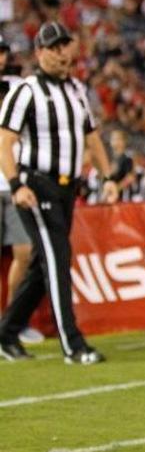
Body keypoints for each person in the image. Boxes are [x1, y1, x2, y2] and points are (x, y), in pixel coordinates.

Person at [0, 22, 119, 364]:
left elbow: (93, 139)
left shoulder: (76, 91)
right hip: (37, 184)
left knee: (43, 264)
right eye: (54, 47)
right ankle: (73, 344)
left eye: (64, 45)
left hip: (69, 186)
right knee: (58, 257)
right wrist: (16, 185)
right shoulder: (25, 91)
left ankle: (7, 334)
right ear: (39, 53)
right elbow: (5, 142)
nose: (61, 52)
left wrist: (107, 176)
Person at [0, 36, 42, 346]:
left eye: (2, 52)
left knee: (25, 253)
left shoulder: (19, 86)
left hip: (14, 182)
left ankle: (12, 322)